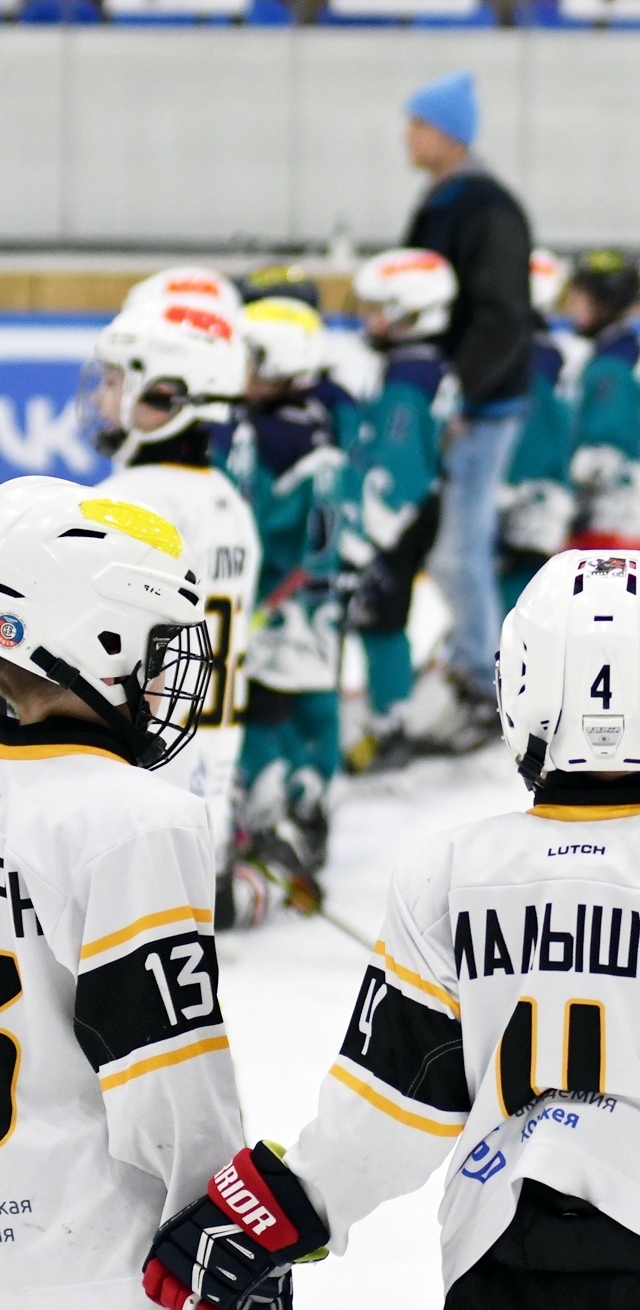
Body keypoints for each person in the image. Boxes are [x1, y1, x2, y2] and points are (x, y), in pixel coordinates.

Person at [142, 549, 640, 1310]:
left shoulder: (451, 871)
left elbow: (391, 1102)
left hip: (501, 1266)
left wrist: (284, 1200)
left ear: (524, 687)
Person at [0, 475, 282, 1310]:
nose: (166, 676)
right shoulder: (133, 818)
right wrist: (232, 1236)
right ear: (95, 637)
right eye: (156, 649)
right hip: (105, 1275)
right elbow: (169, 1075)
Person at [81, 295, 263, 918]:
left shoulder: (132, 503)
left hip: (128, 818)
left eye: (115, 382)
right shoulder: (229, 504)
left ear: (166, 396)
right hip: (203, 814)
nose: (102, 398)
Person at [401, 70, 535, 734]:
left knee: (459, 547)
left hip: (480, 408)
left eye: (419, 124)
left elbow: (503, 314)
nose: (407, 136)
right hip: (460, 402)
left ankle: (481, 678)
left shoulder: (484, 207)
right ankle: (470, 660)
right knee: (453, 545)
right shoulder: (451, 199)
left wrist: (458, 389)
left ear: (450, 134)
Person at [226, 296, 348, 917]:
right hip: (320, 599)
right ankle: (310, 810)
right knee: (316, 710)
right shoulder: (322, 419)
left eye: (251, 359)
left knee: (263, 711)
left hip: (275, 597)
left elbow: (251, 517)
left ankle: (269, 823)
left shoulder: (262, 435)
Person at [338, 250, 456, 773]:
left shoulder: (410, 376)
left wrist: (371, 528)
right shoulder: (419, 365)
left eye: (377, 308)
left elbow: (399, 463)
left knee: (382, 618)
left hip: (397, 521)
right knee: (381, 616)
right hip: (409, 515)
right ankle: (390, 717)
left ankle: (391, 723)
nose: (367, 318)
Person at [565, 251, 640, 540]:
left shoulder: (612, 365)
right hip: (625, 510)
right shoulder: (620, 353)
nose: (570, 305)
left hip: (619, 517)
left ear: (603, 303)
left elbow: (605, 451)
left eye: (579, 295)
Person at [495, 248, 577, 614]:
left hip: (529, 495)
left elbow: (536, 440)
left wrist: (511, 488)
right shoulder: (542, 352)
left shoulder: (533, 356)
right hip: (536, 493)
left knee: (519, 599)